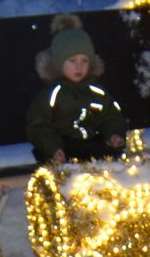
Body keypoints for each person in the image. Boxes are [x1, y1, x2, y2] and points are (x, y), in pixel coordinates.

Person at [26, 14, 127, 166]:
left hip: (92, 144)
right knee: (56, 160)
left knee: (107, 156)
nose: (79, 67)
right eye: (72, 61)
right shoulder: (52, 94)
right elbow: (38, 126)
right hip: (64, 147)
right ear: (59, 63)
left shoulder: (97, 92)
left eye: (84, 61)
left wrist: (113, 134)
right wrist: (53, 148)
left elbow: (111, 116)